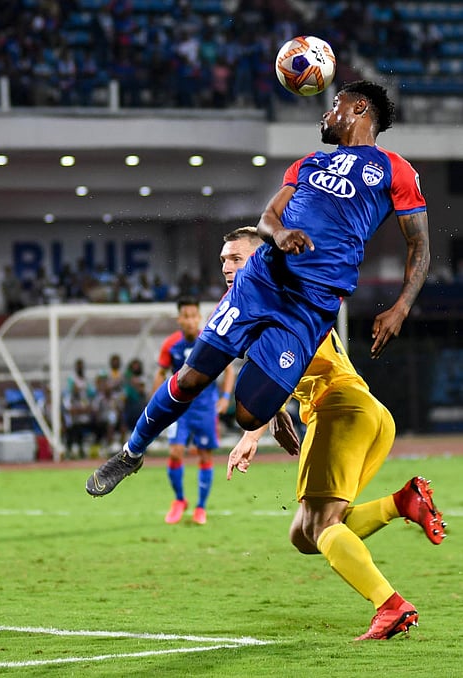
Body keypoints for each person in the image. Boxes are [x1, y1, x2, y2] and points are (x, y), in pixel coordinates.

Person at [87, 80, 430, 497]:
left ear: (360, 108)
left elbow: (420, 246)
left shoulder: (395, 169)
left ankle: (274, 399)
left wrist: (401, 307)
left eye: (333, 105)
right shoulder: (306, 165)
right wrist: (281, 235)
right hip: (262, 281)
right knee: (192, 377)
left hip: (311, 307)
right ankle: (131, 452)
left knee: (249, 416)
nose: (325, 113)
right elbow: (267, 219)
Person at [222, 226, 446, 641]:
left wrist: (252, 432)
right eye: (224, 260)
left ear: (260, 259)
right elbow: (281, 363)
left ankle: (390, 605)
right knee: (305, 535)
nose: (226, 267)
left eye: (236, 258)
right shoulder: (278, 293)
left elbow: (288, 353)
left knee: (321, 525)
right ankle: (403, 502)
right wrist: (273, 413)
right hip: (365, 412)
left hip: (339, 409)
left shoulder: (273, 293)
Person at [155, 296, 235, 525]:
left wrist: (225, 397)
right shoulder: (171, 344)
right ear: (179, 318)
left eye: (193, 315)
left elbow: (229, 370)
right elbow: (160, 374)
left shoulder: (210, 339)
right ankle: (180, 500)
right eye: (185, 316)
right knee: (174, 453)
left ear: (199, 317)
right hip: (179, 409)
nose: (190, 320)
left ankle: (201, 507)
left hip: (205, 409)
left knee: (205, 455)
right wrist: (157, 402)